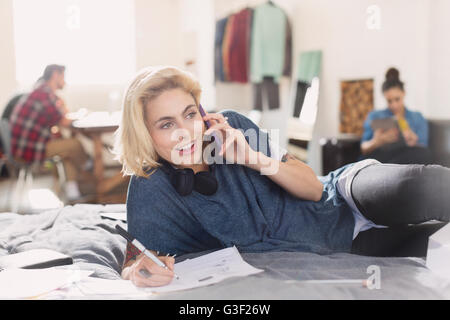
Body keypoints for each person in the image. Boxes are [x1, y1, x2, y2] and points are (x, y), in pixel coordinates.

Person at [114, 66, 450, 288]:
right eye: (166, 124)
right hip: (345, 243)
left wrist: (252, 157)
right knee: (439, 245)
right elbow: (134, 257)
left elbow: (315, 188)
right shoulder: (151, 186)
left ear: (203, 114)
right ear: (146, 134)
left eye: (190, 115)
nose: (185, 133)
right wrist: (137, 270)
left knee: (430, 186)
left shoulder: (234, 127)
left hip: (345, 194)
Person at [9, 64, 91, 201]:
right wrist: (81, 115)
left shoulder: (40, 91)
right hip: (29, 149)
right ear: (55, 75)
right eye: (63, 77)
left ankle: (73, 191)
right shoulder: (44, 94)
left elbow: (58, 118)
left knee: (67, 152)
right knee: (74, 145)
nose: (65, 81)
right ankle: (89, 169)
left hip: (25, 146)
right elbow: (63, 121)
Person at [360, 68, 433, 164]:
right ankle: (394, 170)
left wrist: (412, 140)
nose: (394, 105)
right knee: (371, 158)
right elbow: (363, 148)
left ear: (404, 93)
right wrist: (377, 141)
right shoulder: (375, 116)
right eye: (389, 101)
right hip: (381, 156)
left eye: (397, 99)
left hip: (405, 156)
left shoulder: (417, 117)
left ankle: (391, 169)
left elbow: (423, 146)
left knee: (423, 153)